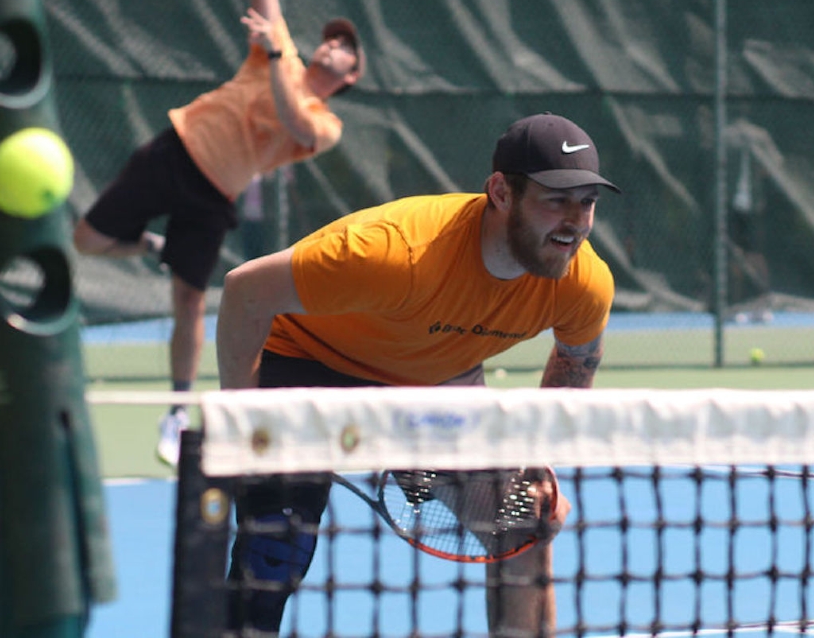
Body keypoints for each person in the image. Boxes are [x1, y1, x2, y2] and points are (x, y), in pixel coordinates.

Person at [216, 112, 620, 637]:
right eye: (555, 199)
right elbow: (245, 290)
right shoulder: (395, 254)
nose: (575, 220)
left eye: (587, 202)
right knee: (277, 546)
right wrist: (249, 423)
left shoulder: (582, 283)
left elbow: (573, 370)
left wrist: (528, 460)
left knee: (526, 520)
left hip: (434, 378)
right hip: (309, 360)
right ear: (501, 192)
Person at [73, 0, 364, 468]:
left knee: (188, 302)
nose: (333, 44)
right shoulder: (273, 47)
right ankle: (151, 245)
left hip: (213, 196)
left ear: (351, 76)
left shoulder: (322, 124)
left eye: (345, 47)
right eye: (331, 37)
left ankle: (178, 410)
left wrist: (280, 55)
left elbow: (290, 113)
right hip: (175, 149)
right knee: (87, 241)